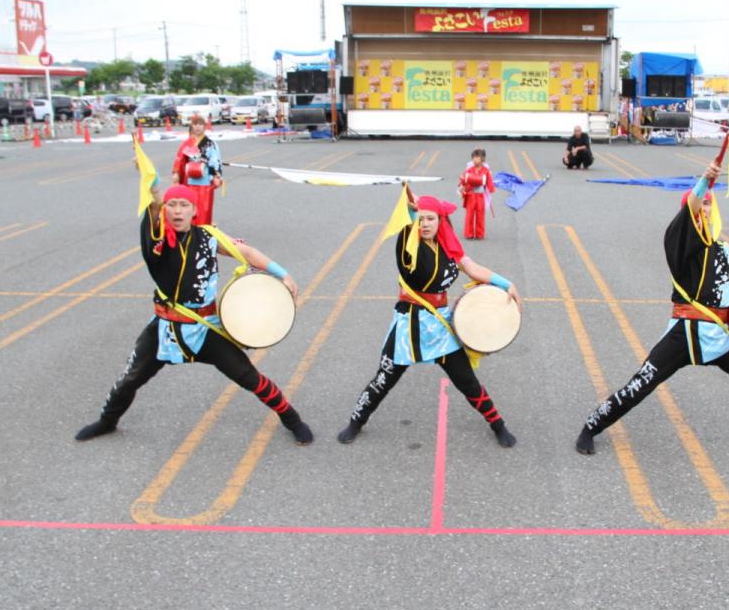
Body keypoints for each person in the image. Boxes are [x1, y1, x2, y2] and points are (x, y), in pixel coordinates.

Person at [575, 154, 729, 456]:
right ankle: (591, 425)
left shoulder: (719, 247)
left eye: (708, 203)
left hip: (718, 337)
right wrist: (706, 180)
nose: (706, 206)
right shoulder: (680, 241)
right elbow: (692, 202)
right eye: (702, 203)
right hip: (685, 333)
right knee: (640, 385)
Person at [75, 177, 313, 444]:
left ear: (194, 210)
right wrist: (155, 194)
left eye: (183, 205)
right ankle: (107, 421)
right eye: (172, 205)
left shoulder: (209, 237)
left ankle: (292, 419)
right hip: (166, 329)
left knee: (250, 377)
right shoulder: (159, 243)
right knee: (130, 378)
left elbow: (245, 252)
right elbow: (154, 214)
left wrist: (283, 274)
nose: (177, 210)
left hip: (205, 327)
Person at [338, 187, 522, 448]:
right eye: (420, 218)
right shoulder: (408, 248)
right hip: (409, 325)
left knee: (467, 381)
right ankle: (356, 421)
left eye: (430, 218)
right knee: (384, 378)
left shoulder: (448, 247)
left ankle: (497, 424)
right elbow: (407, 227)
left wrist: (506, 283)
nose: (424, 224)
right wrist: (410, 211)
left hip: (439, 325)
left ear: (440, 221)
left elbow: (472, 268)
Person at [172, 114, 223, 225]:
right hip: (189, 179)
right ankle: (189, 227)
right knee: (189, 203)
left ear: (204, 126)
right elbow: (180, 158)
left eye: (200, 124)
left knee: (204, 206)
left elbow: (215, 160)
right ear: (192, 126)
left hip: (205, 178)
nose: (198, 127)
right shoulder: (187, 143)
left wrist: (216, 176)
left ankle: (203, 227)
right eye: (195, 124)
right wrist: (176, 173)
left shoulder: (210, 143)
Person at [459, 148, 496, 240]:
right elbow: (463, 180)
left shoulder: (485, 170)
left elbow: (489, 182)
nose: (475, 159)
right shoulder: (469, 170)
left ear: (482, 158)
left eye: (477, 157)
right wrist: (461, 184)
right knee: (469, 214)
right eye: (474, 157)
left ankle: (480, 233)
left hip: (480, 195)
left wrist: (490, 189)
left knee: (480, 214)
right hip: (471, 195)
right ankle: (469, 233)